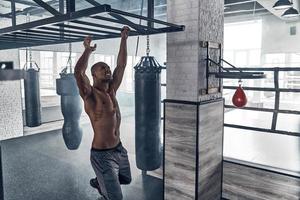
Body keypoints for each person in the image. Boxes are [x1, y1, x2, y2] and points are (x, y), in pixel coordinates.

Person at [74, 26, 131, 200]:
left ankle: (101, 183)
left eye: (107, 67)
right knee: (115, 198)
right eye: (102, 68)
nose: (107, 69)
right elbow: (78, 72)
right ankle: (104, 191)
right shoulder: (90, 95)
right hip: (102, 155)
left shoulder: (112, 89)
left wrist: (124, 39)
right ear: (93, 74)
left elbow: (121, 65)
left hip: (119, 149)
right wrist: (87, 51)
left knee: (126, 179)